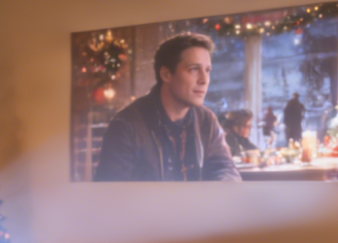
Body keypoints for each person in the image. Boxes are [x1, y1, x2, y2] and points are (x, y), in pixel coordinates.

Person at [94, 33, 240, 182]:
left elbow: (226, 168)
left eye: (207, 70)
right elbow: (110, 194)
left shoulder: (206, 119)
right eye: (194, 69)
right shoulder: (126, 125)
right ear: (166, 74)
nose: (204, 80)